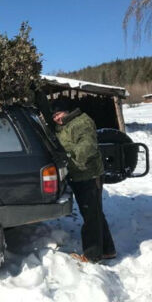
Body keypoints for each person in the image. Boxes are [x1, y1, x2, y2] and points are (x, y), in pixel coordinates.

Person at [52, 100, 116, 263]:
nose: (56, 118)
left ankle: (92, 255)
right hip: (78, 174)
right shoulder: (64, 125)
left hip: (89, 175)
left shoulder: (81, 122)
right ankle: (108, 250)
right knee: (95, 213)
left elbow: (88, 145)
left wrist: (68, 157)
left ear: (67, 111)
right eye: (54, 116)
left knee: (91, 216)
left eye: (58, 114)